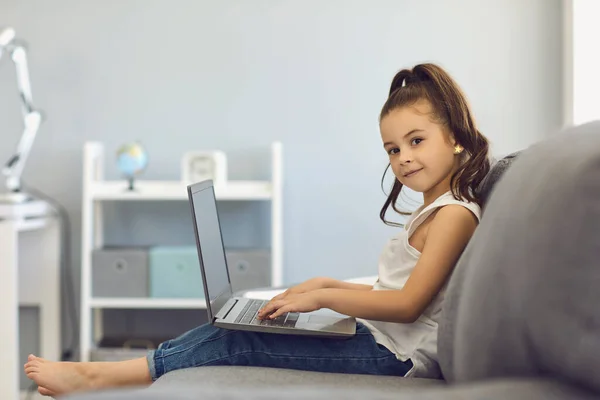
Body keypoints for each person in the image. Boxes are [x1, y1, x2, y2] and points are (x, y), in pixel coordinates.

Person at [24, 63, 490, 397]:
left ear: (453, 137)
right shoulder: (436, 209)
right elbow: (401, 289)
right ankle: (107, 373)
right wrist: (324, 285)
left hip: (396, 358)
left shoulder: (453, 215)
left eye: (416, 141)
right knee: (232, 323)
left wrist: (324, 299)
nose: (403, 158)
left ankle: (95, 378)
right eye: (391, 149)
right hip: (381, 337)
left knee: (237, 338)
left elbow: (407, 306)